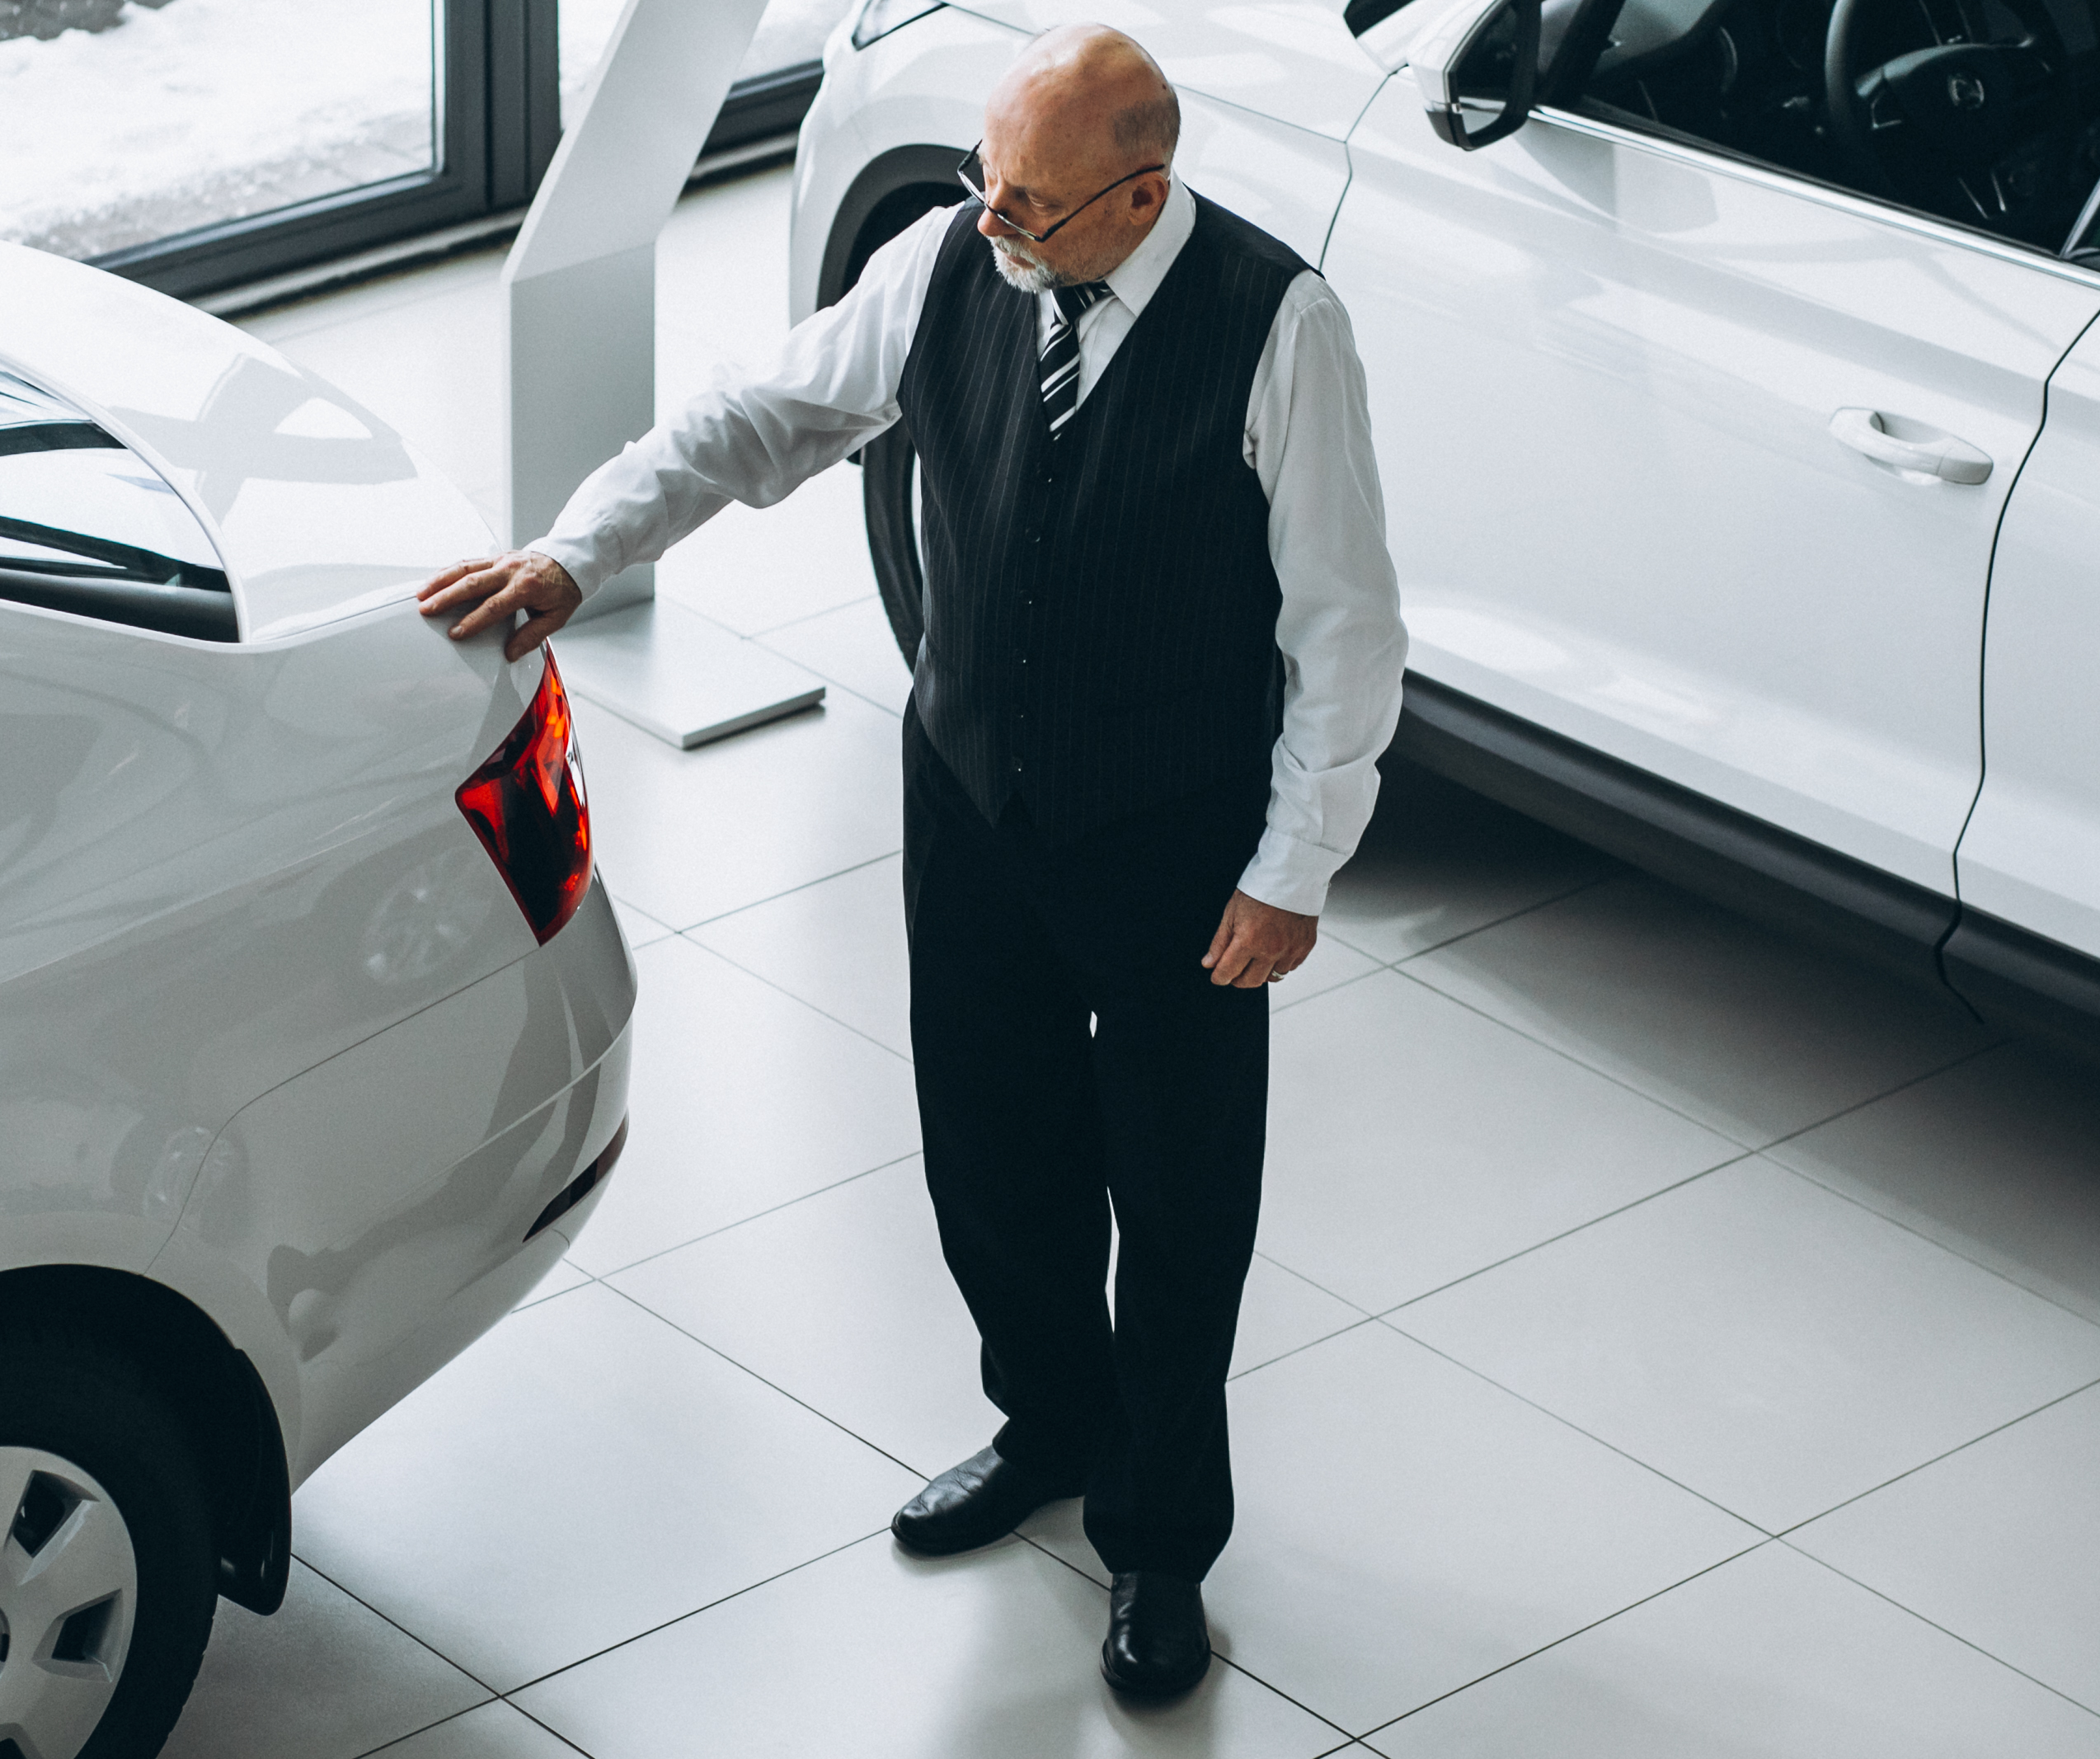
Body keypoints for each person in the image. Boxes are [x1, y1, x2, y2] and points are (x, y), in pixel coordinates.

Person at [417, 22, 1405, 1701]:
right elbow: (760, 417)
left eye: (1027, 204)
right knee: (989, 1147)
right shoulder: (957, 260)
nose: (989, 222)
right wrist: (582, 549)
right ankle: (1049, 1421)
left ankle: (1159, 1535)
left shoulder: (1278, 326)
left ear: (1139, 196)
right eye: (983, 183)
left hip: (1174, 839)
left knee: (1175, 1198)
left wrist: (1292, 867)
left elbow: (1346, 625)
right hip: (970, 801)